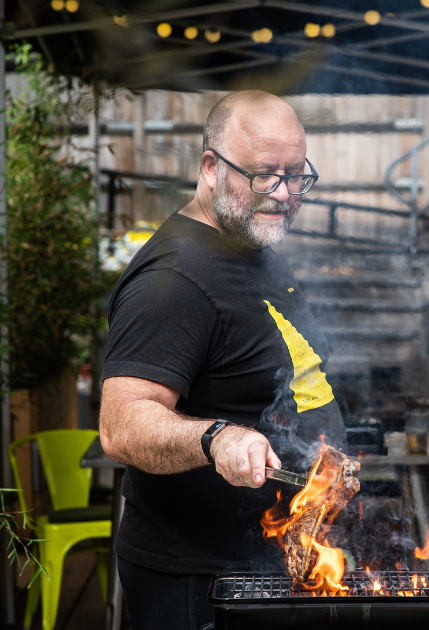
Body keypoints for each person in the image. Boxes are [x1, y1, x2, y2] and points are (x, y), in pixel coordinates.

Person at [99, 90, 344, 629]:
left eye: (296, 176)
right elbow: (120, 424)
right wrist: (217, 439)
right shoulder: (174, 280)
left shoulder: (247, 243)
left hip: (269, 565)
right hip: (202, 587)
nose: (283, 194)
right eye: (264, 176)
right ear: (211, 167)